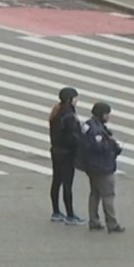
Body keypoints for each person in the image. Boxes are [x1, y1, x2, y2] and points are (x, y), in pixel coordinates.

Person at [80, 101, 124, 233]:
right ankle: (112, 224)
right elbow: (99, 147)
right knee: (108, 195)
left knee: (95, 193)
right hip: (102, 167)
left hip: (91, 166)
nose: (108, 117)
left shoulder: (87, 125)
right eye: (107, 114)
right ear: (101, 114)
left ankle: (94, 221)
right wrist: (112, 145)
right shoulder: (97, 131)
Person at [48, 87, 85, 226]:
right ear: (70, 99)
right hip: (67, 153)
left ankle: (56, 212)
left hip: (55, 151)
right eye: (75, 98)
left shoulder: (56, 111)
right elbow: (74, 135)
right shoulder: (69, 115)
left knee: (56, 181)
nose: (77, 101)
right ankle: (70, 215)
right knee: (67, 184)